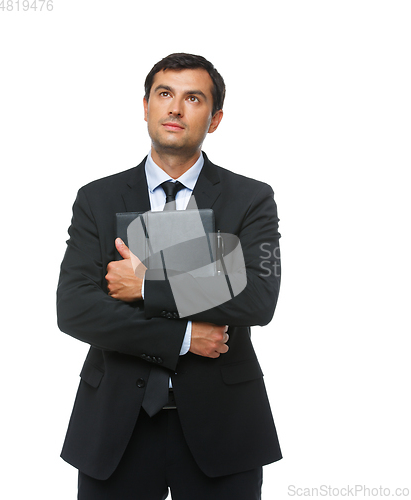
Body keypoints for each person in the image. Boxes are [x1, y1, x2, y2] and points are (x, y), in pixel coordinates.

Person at [57, 53, 282, 500]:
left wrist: (145, 285)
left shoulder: (251, 199)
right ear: (146, 107)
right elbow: (76, 309)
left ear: (215, 119)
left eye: (192, 98)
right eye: (165, 94)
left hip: (223, 426)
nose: (175, 108)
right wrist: (182, 338)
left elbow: (256, 298)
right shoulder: (97, 199)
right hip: (116, 426)